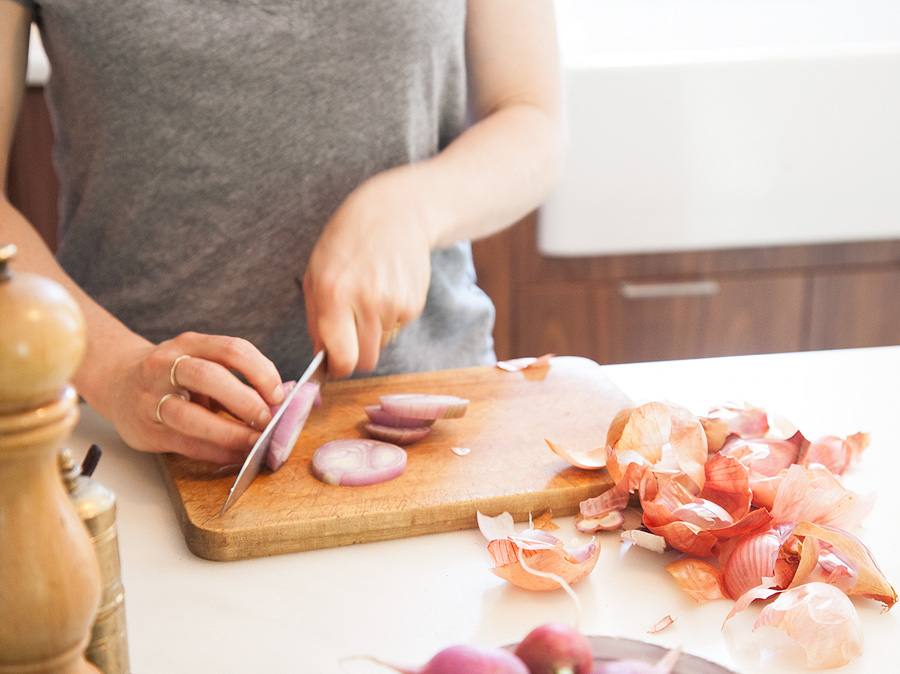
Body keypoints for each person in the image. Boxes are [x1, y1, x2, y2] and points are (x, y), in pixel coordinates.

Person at [0, 0, 564, 464]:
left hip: (437, 436)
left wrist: (414, 206)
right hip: (132, 439)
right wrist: (116, 370)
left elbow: (531, 117)